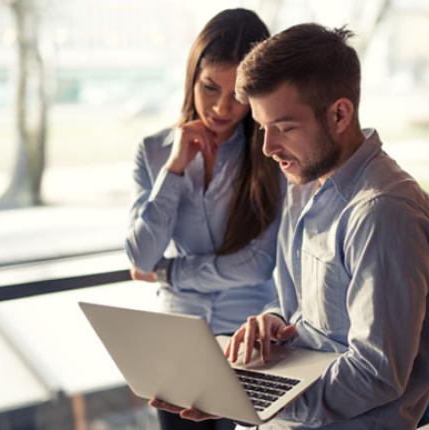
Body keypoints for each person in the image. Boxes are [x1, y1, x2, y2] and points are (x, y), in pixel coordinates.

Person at [220, 24, 429, 429]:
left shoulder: (384, 214)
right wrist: (276, 323)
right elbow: (303, 314)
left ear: (340, 114)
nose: (268, 148)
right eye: (262, 128)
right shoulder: (303, 187)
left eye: (285, 127)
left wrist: (260, 402)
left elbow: (375, 373)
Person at [125, 9, 281, 430]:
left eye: (237, 95)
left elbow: (257, 265)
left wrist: (168, 272)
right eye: (209, 87)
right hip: (175, 341)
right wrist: (174, 169)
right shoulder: (154, 151)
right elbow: (141, 254)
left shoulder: (272, 156)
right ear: (192, 76)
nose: (220, 107)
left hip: (246, 340)